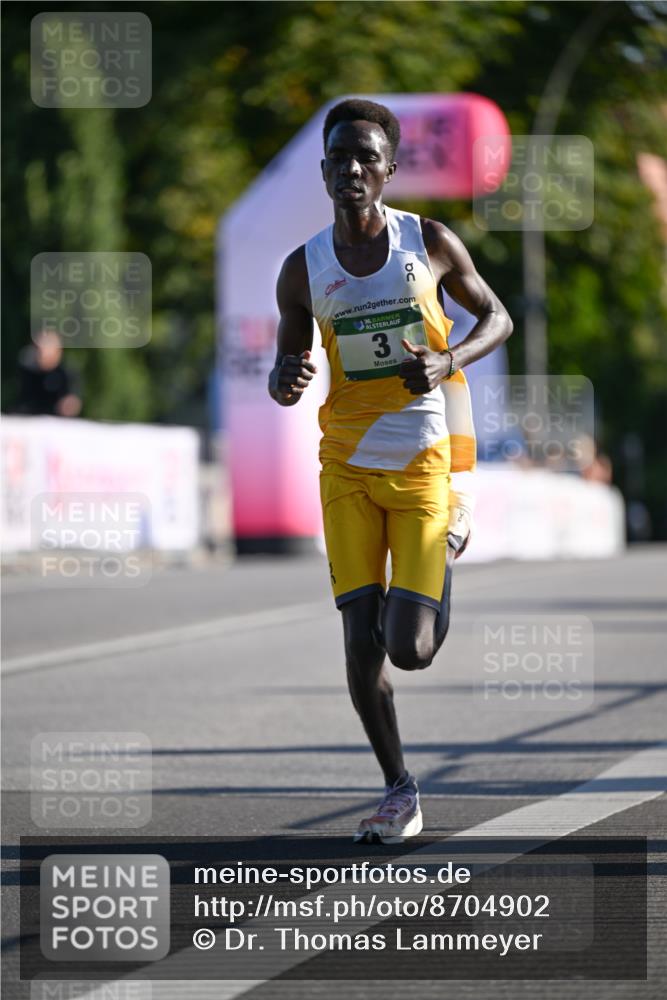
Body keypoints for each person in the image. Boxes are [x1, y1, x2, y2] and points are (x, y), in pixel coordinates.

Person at [268, 99, 513, 843]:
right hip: (343, 462)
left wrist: (447, 360)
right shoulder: (302, 269)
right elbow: (288, 362)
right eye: (338, 158)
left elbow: (496, 317)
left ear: (388, 171)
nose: (351, 170)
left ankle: (445, 541)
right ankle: (397, 789)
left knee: (408, 648)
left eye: (365, 158)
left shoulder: (428, 242)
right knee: (357, 637)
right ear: (322, 171)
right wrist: (283, 378)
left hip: (421, 459)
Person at [15, 330, 81, 417]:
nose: (42, 353)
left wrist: (69, 405)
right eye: (39, 348)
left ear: (58, 351)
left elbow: (73, 400)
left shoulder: (66, 373)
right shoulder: (28, 369)